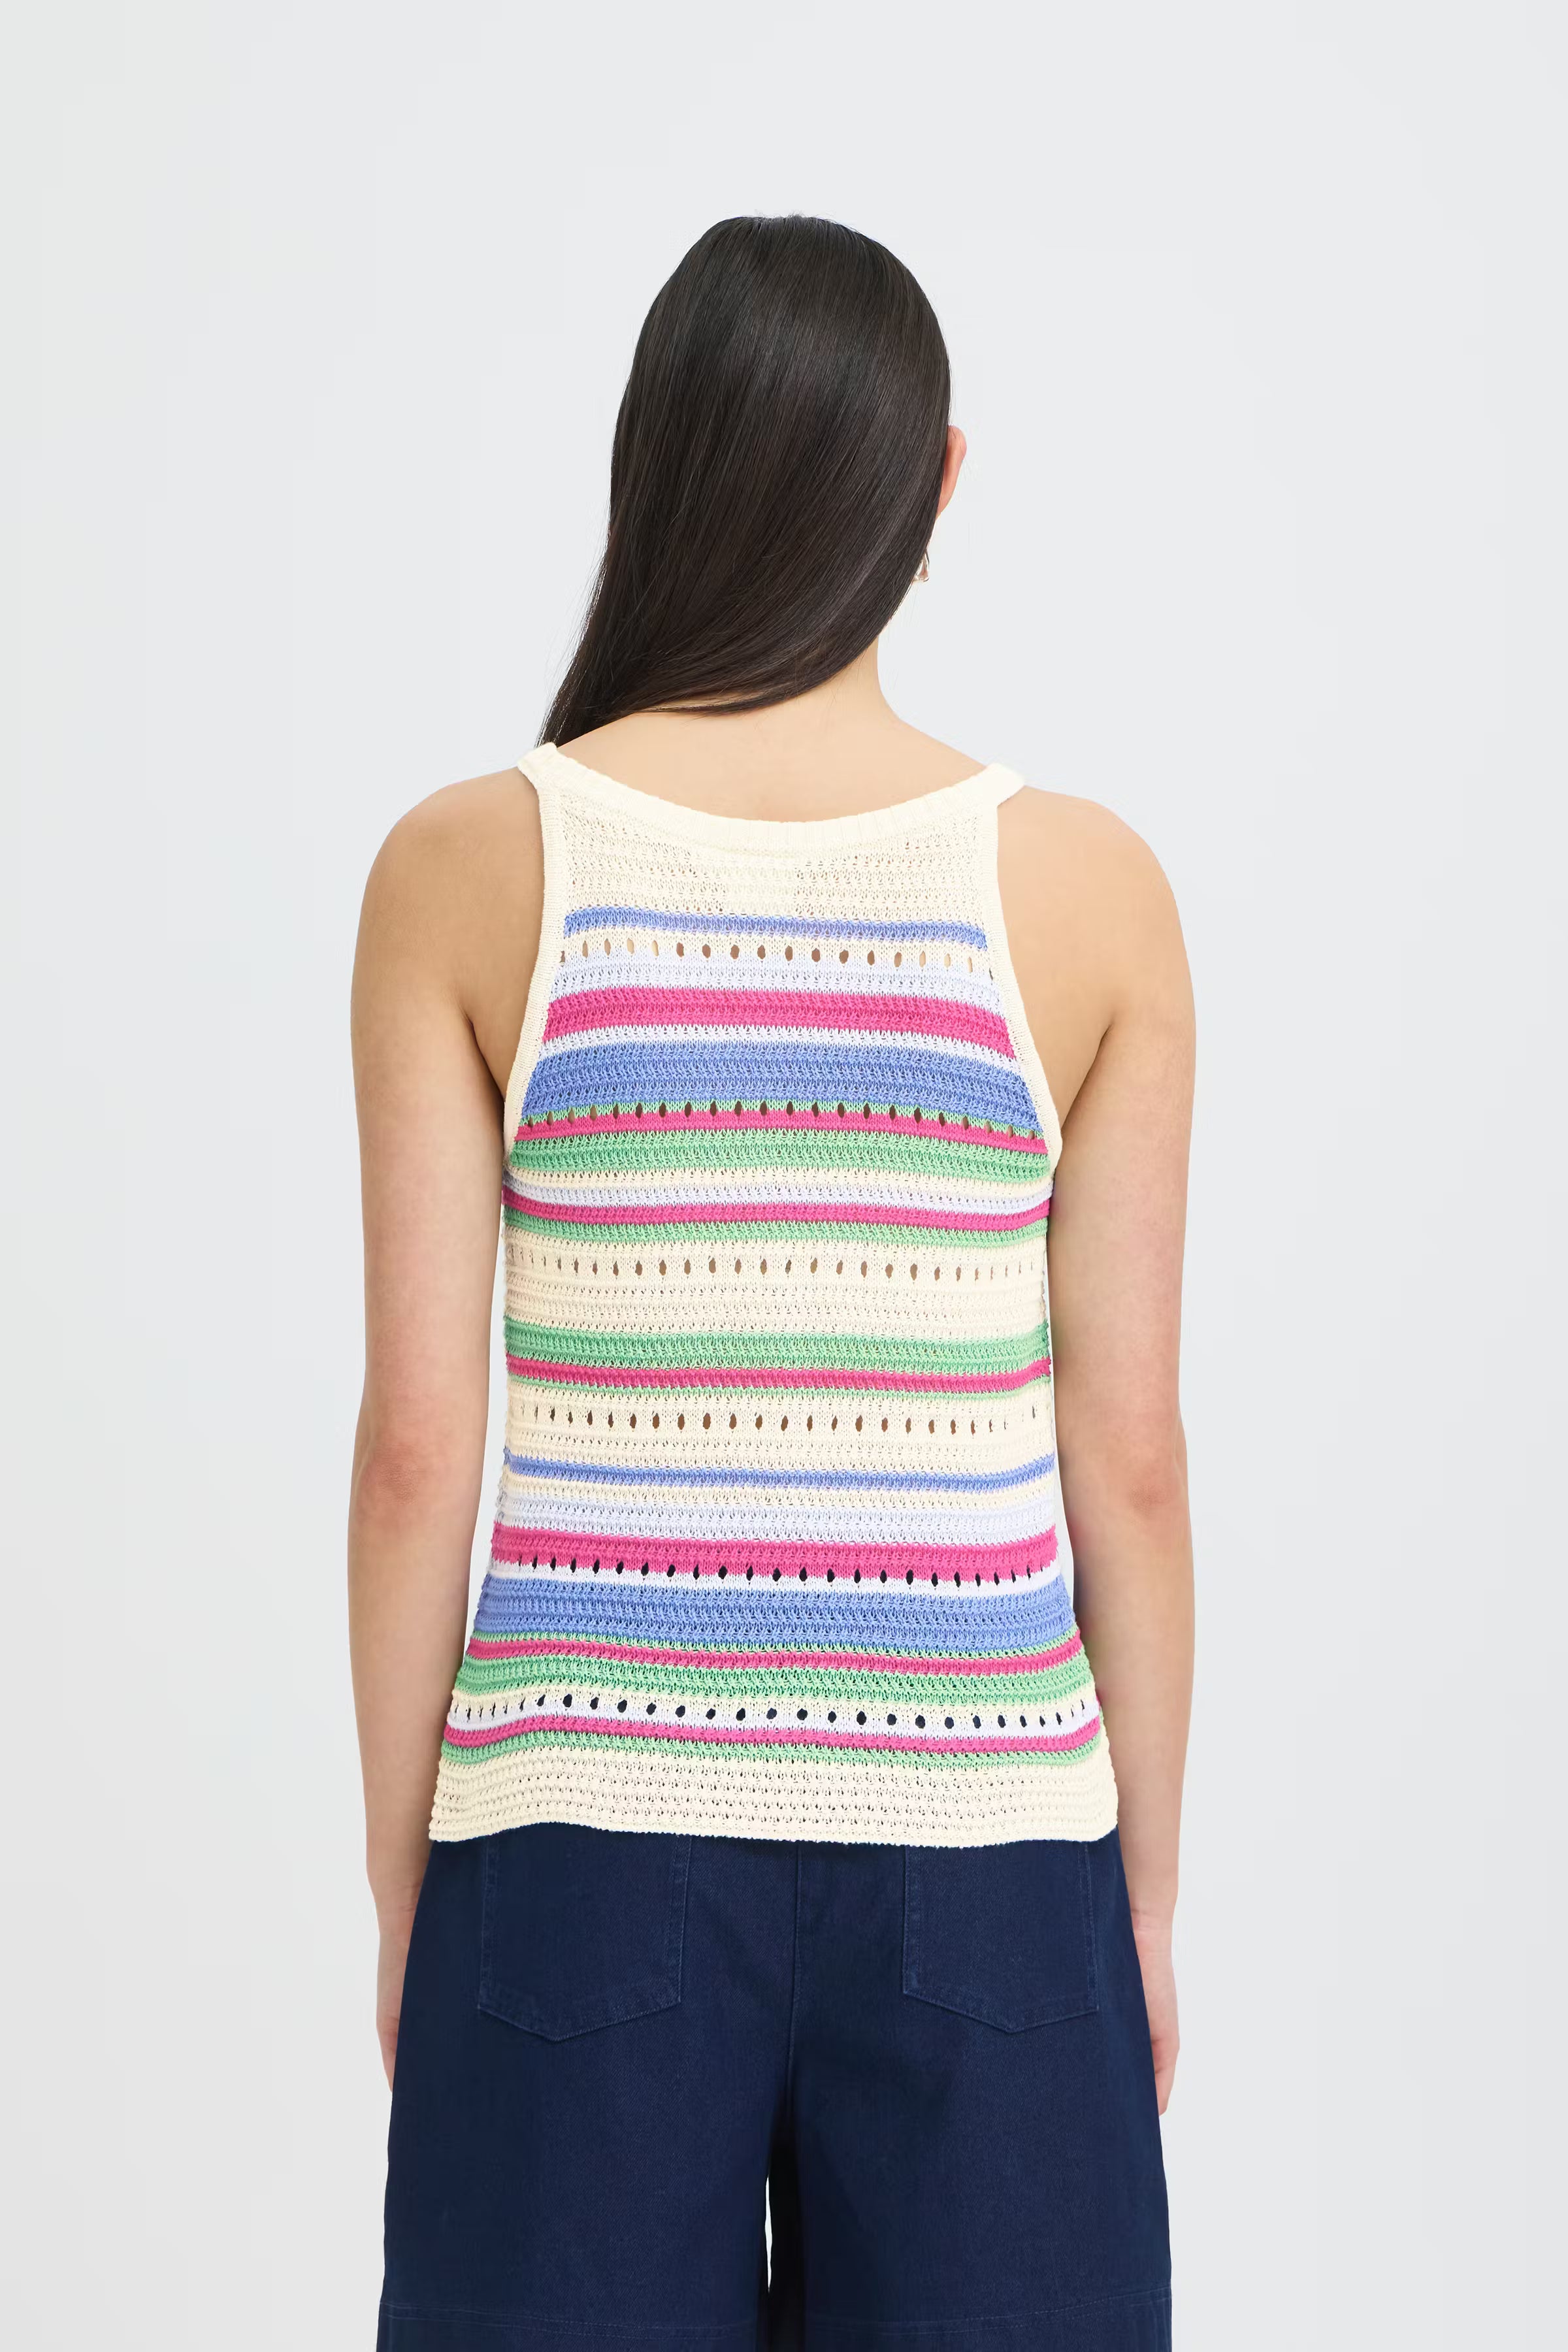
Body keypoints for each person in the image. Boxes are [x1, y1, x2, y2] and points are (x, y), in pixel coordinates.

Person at [350, 214, 1194, 2352]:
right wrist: (1145, 1904)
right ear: (938, 482)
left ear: (655, 462)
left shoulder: (472, 865)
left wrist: (408, 1889)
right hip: (991, 1852)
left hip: (575, 1843)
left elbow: (419, 1446)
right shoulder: (1085, 890)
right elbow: (1129, 1459)